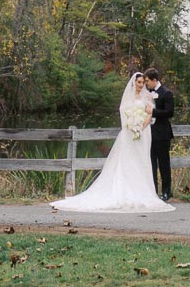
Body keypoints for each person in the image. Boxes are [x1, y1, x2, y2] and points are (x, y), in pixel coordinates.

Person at [50, 73, 174, 213]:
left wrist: (142, 127)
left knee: (143, 162)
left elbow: (150, 113)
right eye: (139, 82)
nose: (141, 85)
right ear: (134, 83)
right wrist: (132, 126)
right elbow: (124, 113)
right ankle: (127, 191)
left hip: (144, 134)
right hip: (130, 133)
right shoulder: (128, 98)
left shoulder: (147, 96)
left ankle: (149, 191)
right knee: (129, 162)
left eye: (142, 82)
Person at [144, 67, 174, 201]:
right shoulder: (147, 93)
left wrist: (153, 112)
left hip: (162, 134)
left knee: (164, 164)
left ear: (154, 80)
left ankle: (167, 192)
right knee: (151, 164)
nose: (146, 84)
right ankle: (153, 191)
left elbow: (170, 112)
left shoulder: (166, 93)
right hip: (150, 134)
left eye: (147, 81)